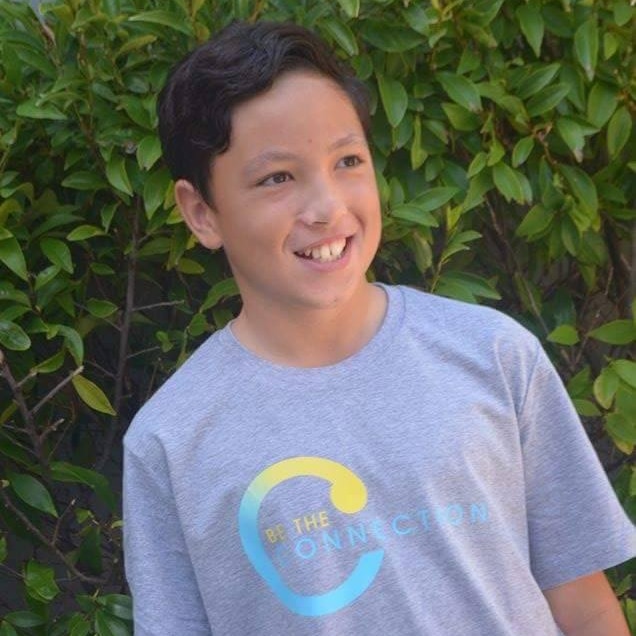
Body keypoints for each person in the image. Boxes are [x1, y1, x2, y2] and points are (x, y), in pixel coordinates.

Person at [122, 20, 635, 636]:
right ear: (202, 212)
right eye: (276, 178)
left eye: (347, 161)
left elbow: (583, 602)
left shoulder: (495, 355)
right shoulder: (170, 442)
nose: (327, 207)